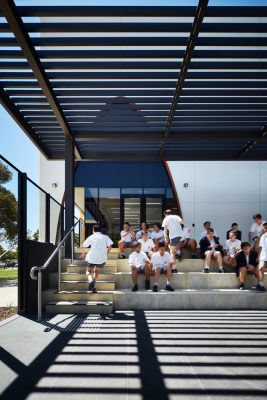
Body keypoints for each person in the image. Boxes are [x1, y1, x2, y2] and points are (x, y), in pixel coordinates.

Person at [82, 224, 113, 293]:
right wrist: (106, 254)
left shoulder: (92, 237)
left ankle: (90, 281)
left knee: (88, 271)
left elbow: (84, 245)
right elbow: (110, 245)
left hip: (92, 258)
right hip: (101, 259)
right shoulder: (105, 237)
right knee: (96, 271)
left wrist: (83, 254)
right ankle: (93, 286)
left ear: (93, 230)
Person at [256, 222, 267, 291]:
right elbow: (260, 247)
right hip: (264, 255)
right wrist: (258, 256)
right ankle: (260, 284)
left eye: (266, 228)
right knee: (260, 268)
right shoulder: (263, 236)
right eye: (264, 228)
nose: (264, 229)